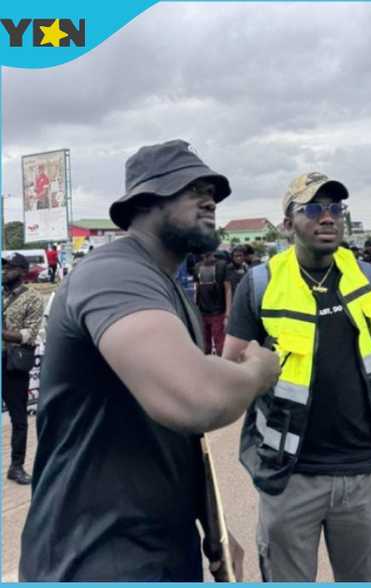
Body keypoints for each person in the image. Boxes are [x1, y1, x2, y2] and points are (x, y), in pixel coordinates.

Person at [20, 139, 280, 581]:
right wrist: (257, 372)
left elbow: (178, 440)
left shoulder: (166, 288)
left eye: (212, 191)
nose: (210, 199)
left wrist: (213, 524)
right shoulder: (112, 273)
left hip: (159, 549)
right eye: (193, 188)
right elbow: (195, 398)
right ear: (145, 201)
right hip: (91, 558)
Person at [222, 172, 371, 582]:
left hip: (366, 474)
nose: (327, 218)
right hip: (290, 479)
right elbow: (230, 375)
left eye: (335, 208)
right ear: (289, 223)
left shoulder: (368, 279)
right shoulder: (258, 286)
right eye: (313, 208)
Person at [3, 253, 43, 485]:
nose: (3, 271)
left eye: (8, 268)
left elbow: (30, 335)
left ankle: (16, 466)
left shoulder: (34, 299)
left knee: (19, 419)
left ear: (22, 271)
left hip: (12, 364)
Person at [193, 250, 228, 355]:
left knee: (219, 342)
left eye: (211, 255)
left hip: (218, 310)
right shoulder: (197, 267)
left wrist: (227, 312)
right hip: (202, 311)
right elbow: (196, 288)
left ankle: (222, 364)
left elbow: (228, 289)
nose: (211, 258)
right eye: (207, 256)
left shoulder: (221, 266)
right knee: (205, 342)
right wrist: (195, 308)